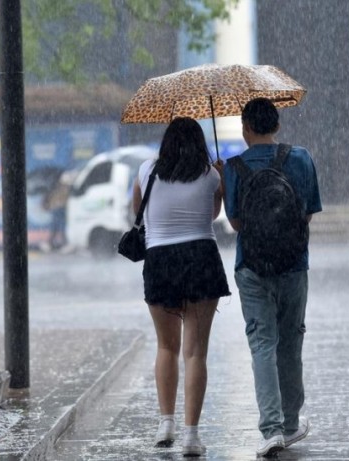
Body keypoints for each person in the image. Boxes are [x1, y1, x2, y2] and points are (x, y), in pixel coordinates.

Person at [223, 98, 322, 457]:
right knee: (290, 342)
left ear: (245, 128)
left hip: (252, 267)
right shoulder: (301, 158)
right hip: (293, 265)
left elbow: (236, 224)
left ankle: (271, 429)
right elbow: (308, 213)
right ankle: (291, 423)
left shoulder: (233, 167)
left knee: (262, 344)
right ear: (277, 125)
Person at [133, 117, 231, 457]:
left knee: (166, 347)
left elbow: (139, 214)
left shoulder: (147, 170)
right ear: (199, 143)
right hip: (201, 257)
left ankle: (166, 424)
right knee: (195, 352)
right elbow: (212, 214)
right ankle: (191, 436)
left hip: (160, 259)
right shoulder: (211, 174)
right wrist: (220, 181)